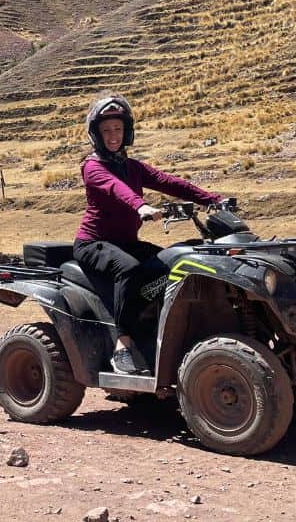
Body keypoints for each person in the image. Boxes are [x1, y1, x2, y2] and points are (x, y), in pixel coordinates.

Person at [73, 94, 223, 375]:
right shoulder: (92, 167)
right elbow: (115, 188)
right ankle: (123, 346)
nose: (113, 135)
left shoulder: (134, 167)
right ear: (97, 134)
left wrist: (213, 199)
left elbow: (170, 182)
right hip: (93, 243)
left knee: (172, 262)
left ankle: (157, 327)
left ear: (126, 131)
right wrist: (140, 205)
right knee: (129, 269)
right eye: (106, 130)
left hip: (127, 242)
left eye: (117, 129)